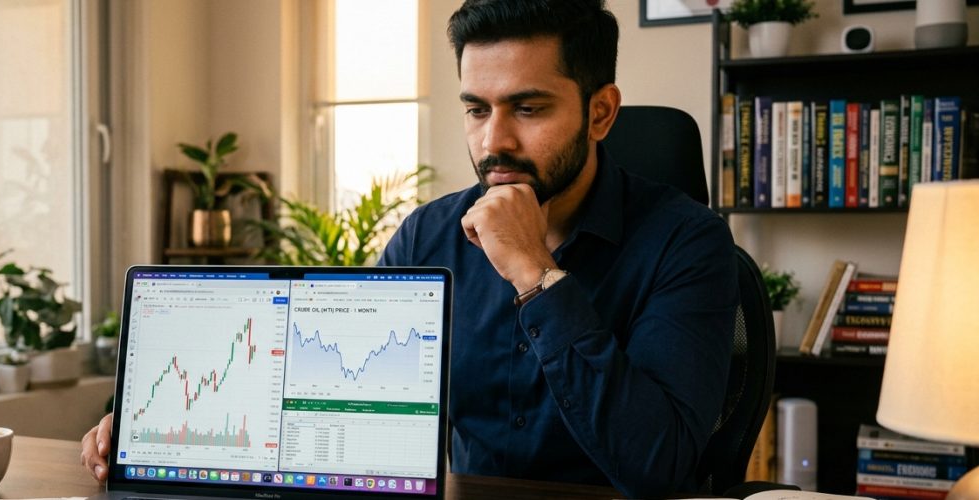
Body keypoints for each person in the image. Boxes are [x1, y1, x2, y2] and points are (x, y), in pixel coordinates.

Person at [81, 0, 737, 496]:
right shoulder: (428, 235)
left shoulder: (688, 244)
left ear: (600, 113)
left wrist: (536, 274)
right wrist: (156, 432)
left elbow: (661, 471)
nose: (493, 142)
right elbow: (336, 397)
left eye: (528, 110)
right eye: (477, 110)